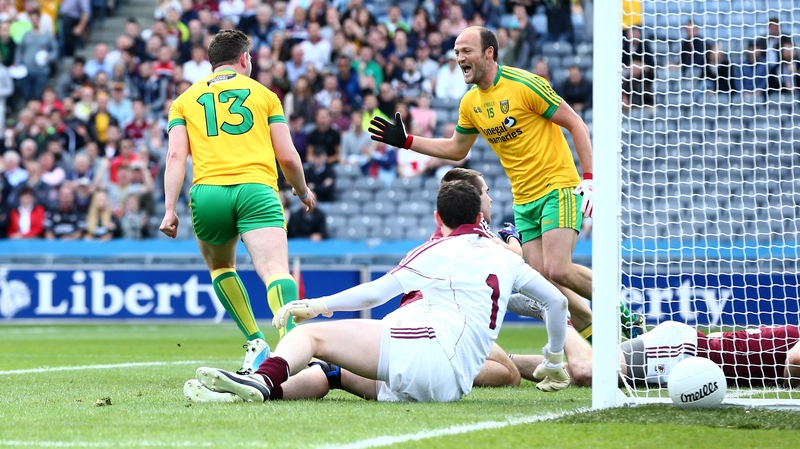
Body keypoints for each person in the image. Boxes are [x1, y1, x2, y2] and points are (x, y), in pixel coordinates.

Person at [369, 26, 642, 342]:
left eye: (466, 51)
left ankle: (623, 314)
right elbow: (457, 149)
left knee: (557, 268)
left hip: (559, 186)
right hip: (523, 199)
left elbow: (576, 124)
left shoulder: (525, 85)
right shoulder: (470, 102)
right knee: (545, 282)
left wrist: (590, 180)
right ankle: (598, 342)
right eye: (456, 52)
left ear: (489, 53)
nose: (459, 58)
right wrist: (408, 142)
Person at [193, 180, 570, 403]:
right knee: (330, 370)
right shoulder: (505, 257)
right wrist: (553, 361)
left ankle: (261, 379)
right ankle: (241, 395)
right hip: (453, 382)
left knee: (310, 335)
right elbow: (556, 300)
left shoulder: (436, 250)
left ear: (439, 219)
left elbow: (376, 293)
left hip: (426, 353)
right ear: (480, 216)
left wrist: (319, 304)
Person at [160, 29, 315, 375]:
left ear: (212, 63)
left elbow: (174, 158)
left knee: (221, 268)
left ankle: (255, 343)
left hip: (208, 193)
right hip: (256, 190)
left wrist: (170, 209)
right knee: (275, 270)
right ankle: (292, 349)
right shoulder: (265, 95)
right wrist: (302, 191)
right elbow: (287, 157)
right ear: (244, 59)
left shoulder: (184, 100)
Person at [509, 318, 800, 390]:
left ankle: (503, 361)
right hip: (683, 352)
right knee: (589, 373)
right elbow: (794, 362)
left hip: (692, 355)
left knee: (577, 373)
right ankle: (557, 314)